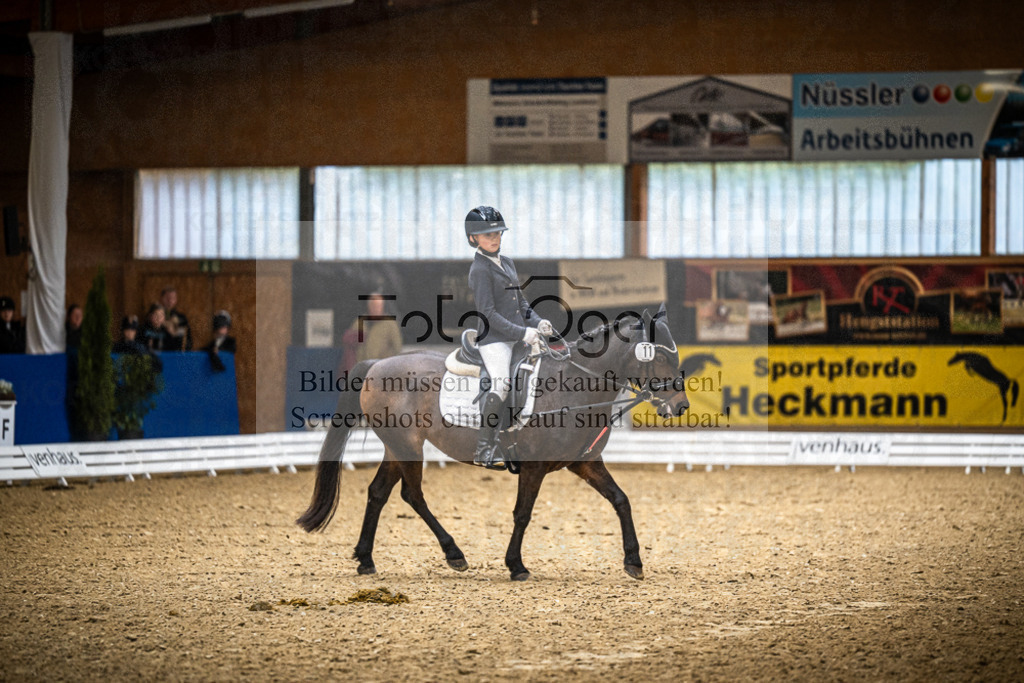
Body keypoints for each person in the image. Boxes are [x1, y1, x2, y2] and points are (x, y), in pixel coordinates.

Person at [465, 206, 553, 469]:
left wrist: (538, 322)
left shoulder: (508, 262)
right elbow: (488, 313)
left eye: (497, 233)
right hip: (494, 340)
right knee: (502, 383)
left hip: (517, 335)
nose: (494, 238)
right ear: (473, 239)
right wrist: (523, 332)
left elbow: (521, 303)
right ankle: (484, 450)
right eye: (487, 235)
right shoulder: (479, 270)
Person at [343, 293, 402, 368]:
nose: (376, 308)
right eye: (373, 306)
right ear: (369, 306)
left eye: (378, 306)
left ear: (382, 307)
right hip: (362, 367)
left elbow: (397, 347)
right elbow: (350, 344)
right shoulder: (359, 322)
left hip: (382, 368)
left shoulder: (390, 324)